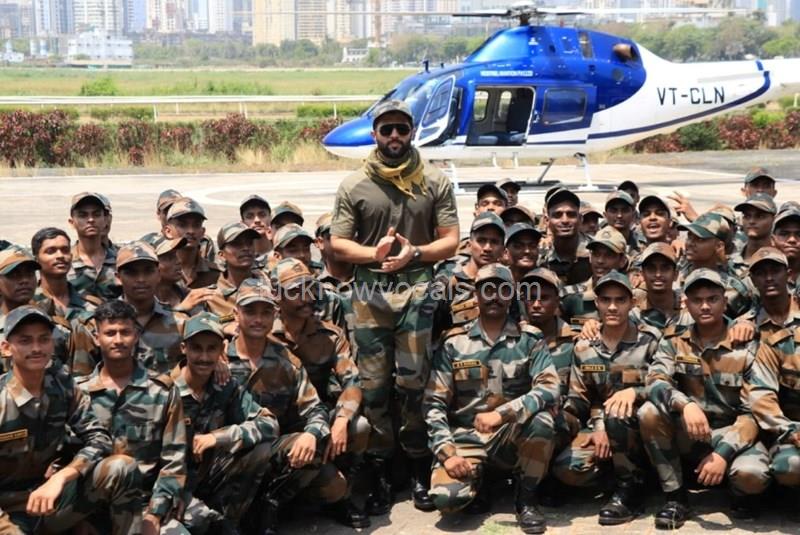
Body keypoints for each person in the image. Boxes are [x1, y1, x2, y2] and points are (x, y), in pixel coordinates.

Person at [329, 99, 460, 513]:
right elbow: (338, 243)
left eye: (402, 129)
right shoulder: (354, 185)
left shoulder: (434, 181)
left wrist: (414, 253)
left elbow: (451, 240)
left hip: (416, 292)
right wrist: (374, 254)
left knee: (414, 383)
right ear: (374, 135)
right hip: (370, 296)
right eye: (386, 129)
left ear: (412, 132)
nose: (394, 136)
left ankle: (418, 463)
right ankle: (381, 467)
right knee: (374, 387)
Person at [424, 263, 559, 534]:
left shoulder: (529, 339)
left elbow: (549, 387)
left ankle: (526, 498)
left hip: (508, 435)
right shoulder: (454, 343)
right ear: (476, 295)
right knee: (447, 500)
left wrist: (502, 414)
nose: (495, 296)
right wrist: (447, 454)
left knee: (542, 421)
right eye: (487, 290)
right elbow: (433, 404)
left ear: (511, 295)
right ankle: (482, 480)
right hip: (466, 438)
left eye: (503, 290)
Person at [641, 268, 769, 528]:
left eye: (712, 299)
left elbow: (754, 411)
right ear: (686, 304)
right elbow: (655, 380)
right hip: (691, 430)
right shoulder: (674, 339)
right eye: (697, 300)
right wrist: (685, 404)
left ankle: (737, 490)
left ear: (724, 301)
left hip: (735, 432)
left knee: (751, 476)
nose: (705, 306)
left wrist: (722, 453)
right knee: (648, 412)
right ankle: (675, 497)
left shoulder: (748, 344)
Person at [226, 279, 356, 530]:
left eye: (266, 312)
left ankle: (271, 504)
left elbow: (315, 408)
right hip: (228, 455)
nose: (258, 319)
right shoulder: (218, 360)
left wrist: (311, 434)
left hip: (271, 450)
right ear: (235, 314)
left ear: (274, 314)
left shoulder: (287, 362)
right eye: (250, 311)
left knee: (332, 480)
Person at [0, 305, 140, 535]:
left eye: (44, 339)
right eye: (25, 341)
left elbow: (99, 439)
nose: (36, 348)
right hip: (6, 512)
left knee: (122, 467)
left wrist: (62, 477)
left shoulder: (62, 386)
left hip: (48, 498)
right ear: (6, 348)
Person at [270, 258, 371, 526]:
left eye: (309, 287)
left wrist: (341, 420)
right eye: (295, 291)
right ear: (276, 295)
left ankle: (341, 497)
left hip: (315, 421)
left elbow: (352, 381)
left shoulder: (329, 334)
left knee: (358, 427)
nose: (306, 297)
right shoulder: (263, 333)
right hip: (274, 427)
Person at [555, 271, 660, 525]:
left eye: (620, 300)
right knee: (566, 468)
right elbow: (579, 399)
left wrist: (636, 393)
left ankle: (630, 493)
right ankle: (626, 477)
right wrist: (596, 426)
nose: (612, 307)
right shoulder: (585, 347)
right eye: (606, 300)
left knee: (622, 415)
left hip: (646, 429)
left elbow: (667, 385)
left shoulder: (650, 340)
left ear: (632, 302)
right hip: (603, 425)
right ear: (597, 303)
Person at [78, 300, 188, 535]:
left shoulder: (162, 391)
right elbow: (66, 457)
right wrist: (77, 519)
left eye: (125, 332)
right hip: (90, 509)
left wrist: (155, 514)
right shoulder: (79, 393)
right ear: (96, 338)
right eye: (110, 333)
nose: (118, 340)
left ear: (136, 335)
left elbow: (174, 460)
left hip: (143, 503)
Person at [170, 312, 279, 534]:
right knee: (198, 522)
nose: (204, 357)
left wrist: (217, 437)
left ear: (222, 350)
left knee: (259, 448)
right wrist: (171, 492)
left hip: (210, 473)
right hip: (175, 482)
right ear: (183, 348)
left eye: (211, 348)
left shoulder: (225, 386)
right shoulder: (164, 391)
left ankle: (235, 520)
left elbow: (269, 424)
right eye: (196, 348)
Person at [115, 242, 187, 375]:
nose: (141, 279)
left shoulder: (180, 323)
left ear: (159, 275)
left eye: (148, 271)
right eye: (131, 273)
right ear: (118, 278)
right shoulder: (101, 324)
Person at [432, 212, 506, 336]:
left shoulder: (506, 283)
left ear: (503, 249)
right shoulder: (448, 279)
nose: (487, 248)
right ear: (470, 244)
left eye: (494, 242)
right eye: (481, 240)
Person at [561, 227, 628, 329]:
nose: (600, 260)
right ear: (590, 257)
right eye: (596, 254)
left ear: (622, 261)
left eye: (609, 255)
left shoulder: (632, 296)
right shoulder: (570, 296)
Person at [31, 227, 99, 323]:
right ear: (36, 259)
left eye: (65, 250)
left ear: (71, 256)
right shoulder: (28, 304)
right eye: (51, 251)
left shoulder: (92, 305)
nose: (60, 255)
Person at [206, 222, 264, 323]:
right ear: (222, 255)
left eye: (249, 243)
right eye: (236, 244)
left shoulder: (269, 285)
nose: (246, 248)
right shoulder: (210, 297)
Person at [67, 192, 121, 300]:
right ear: (72, 222)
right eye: (83, 215)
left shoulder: (120, 259)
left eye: (96, 214)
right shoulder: (64, 261)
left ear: (105, 220)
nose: (91, 220)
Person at [163, 198, 221, 289]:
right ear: (168, 231)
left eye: (196, 225)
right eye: (182, 225)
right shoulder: (159, 273)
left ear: (202, 232)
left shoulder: (215, 274)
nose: (191, 231)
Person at [539, 188, 591, 285]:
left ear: (580, 219)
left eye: (571, 214)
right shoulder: (538, 253)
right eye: (557, 215)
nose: (565, 220)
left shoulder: (596, 250)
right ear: (547, 220)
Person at [730, 193, 777, 277]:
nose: (751, 221)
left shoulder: (783, 260)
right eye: (747, 216)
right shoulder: (730, 264)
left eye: (760, 216)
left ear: (774, 219)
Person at [603, 190, 639, 255]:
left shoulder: (641, 243)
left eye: (625, 210)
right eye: (613, 211)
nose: (619, 215)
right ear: (605, 215)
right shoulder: (597, 242)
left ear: (633, 215)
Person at [772, 208, 800, 291]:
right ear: (772, 240)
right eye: (784, 234)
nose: (792, 240)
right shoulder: (762, 276)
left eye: (799, 234)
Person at [239, 194, 273, 264]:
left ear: (270, 219)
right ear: (242, 223)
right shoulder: (238, 258)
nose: (257, 220)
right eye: (249, 216)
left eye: (262, 215)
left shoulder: (282, 251)